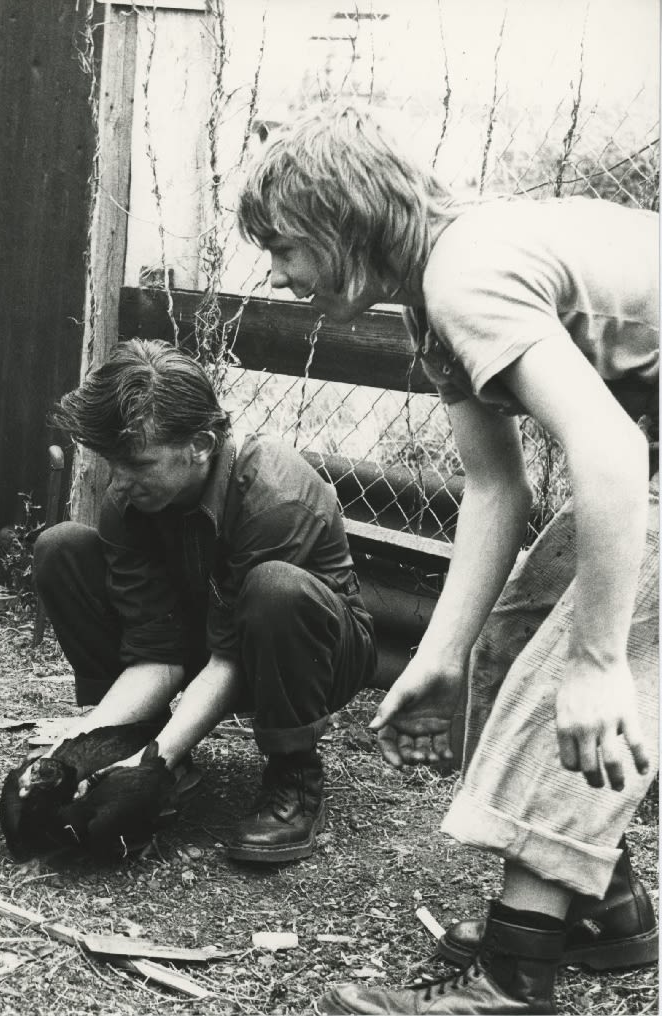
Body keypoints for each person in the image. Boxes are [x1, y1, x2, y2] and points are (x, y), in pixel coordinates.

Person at [236, 105, 658, 1014]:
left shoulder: (467, 274)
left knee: (563, 675)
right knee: (514, 645)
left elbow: (612, 454)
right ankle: (603, 907)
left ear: (342, 219)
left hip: (643, 458)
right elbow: (495, 489)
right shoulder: (439, 292)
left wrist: (596, 660)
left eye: (286, 247)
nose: (280, 274)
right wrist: (442, 655)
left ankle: (516, 979)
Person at [32, 338, 377, 861]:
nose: (119, 482)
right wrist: (76, 751)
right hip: (208, 634)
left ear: (200, 444)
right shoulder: (130, 496)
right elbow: (155, 651)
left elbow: (232, 657)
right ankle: (125, 748)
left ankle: (294, 775)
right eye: (110, 463)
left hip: (308, 652)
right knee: (62, 548)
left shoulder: (275, 493)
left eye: (138, 463)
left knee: (275, 589)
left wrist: (160, 759)